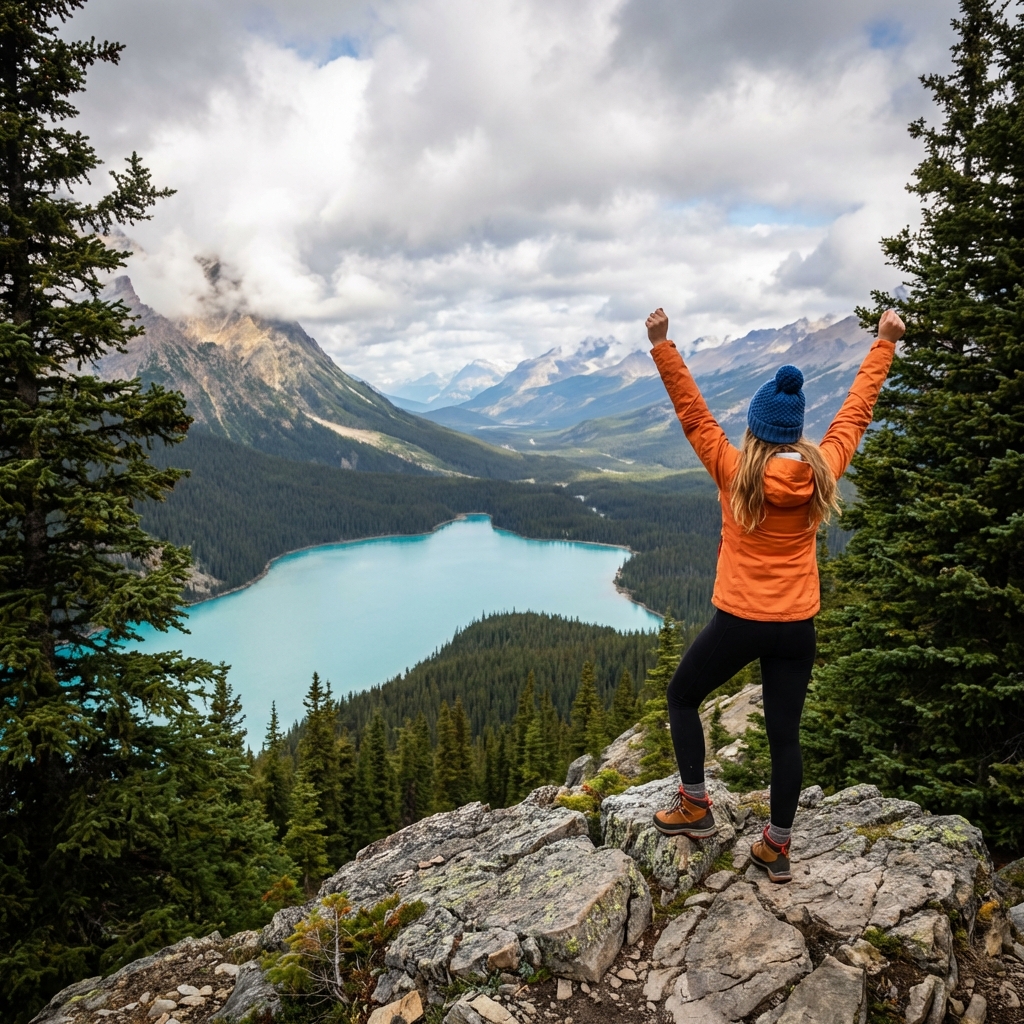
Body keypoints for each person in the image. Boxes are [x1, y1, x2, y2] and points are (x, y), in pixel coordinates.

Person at [644, 306, 905, 883]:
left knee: (683, 696)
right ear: (797, 432)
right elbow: (855, 415)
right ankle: (776, 847)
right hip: (796, 627)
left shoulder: (735, 470)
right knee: (785, 736)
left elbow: (694, 415)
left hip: (739, 619)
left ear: (757, 429)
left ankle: (695, 806)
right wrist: (884, 343)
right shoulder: (823, 470)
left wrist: (663, 345)